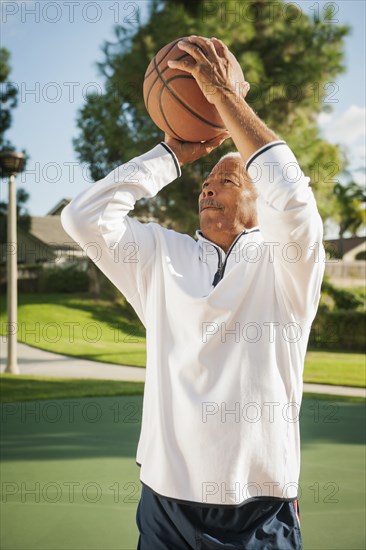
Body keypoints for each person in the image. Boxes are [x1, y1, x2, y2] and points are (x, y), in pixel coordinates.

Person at [61, 36, 325, 549]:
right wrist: (171, 153)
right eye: (205, 180)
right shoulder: (161, 257)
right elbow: (83, 219)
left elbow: (294, 203)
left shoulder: (286, 265)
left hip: (261, 504)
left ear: (257, 200)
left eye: (226, 178)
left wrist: (227, 99)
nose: (208, 186)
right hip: (167, 502)